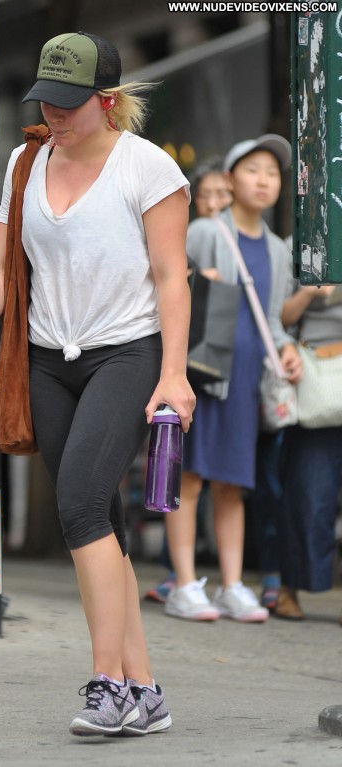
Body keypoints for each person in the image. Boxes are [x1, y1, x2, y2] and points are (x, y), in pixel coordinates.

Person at [0, 32, 195, 735]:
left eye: (70, 103)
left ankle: (109, 685)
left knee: (79, 506)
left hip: (126, 354)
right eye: (47, 99)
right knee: (99, 520)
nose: (55, 113)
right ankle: (146, 691)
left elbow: (172, 278)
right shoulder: (26, 162)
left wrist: (173, 373)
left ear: (108, 100)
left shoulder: (148, 168)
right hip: (48, 359)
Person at [163, 135, 303, 623]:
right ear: (230, 179)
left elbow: (273, 320)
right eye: (253, 170)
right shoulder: (205, 232)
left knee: (232, 484)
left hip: (246, 382)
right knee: (189, 479)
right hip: (202, 378)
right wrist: (196, 282)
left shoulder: (278, 250)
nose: (264, 180)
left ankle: (231, 585)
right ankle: (184, 585)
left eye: (273, 173)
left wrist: (287, 349)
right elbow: (168, 287)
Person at [145, 157, 232, 604]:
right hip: (194, 366)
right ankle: (179, 575)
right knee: (186, 473)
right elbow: (172, 276)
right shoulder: (196, 232)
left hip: (209, 367)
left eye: (223, 195)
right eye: (209, 195)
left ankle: (182, 575)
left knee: (195, 475)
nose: (215, 203)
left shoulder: (237, 235)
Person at [275, 273, 342, 622]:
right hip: (315, 373)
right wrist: (308, 292)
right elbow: (278, 315)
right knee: (308, 491)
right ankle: (289, 586)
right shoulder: (307, 247)